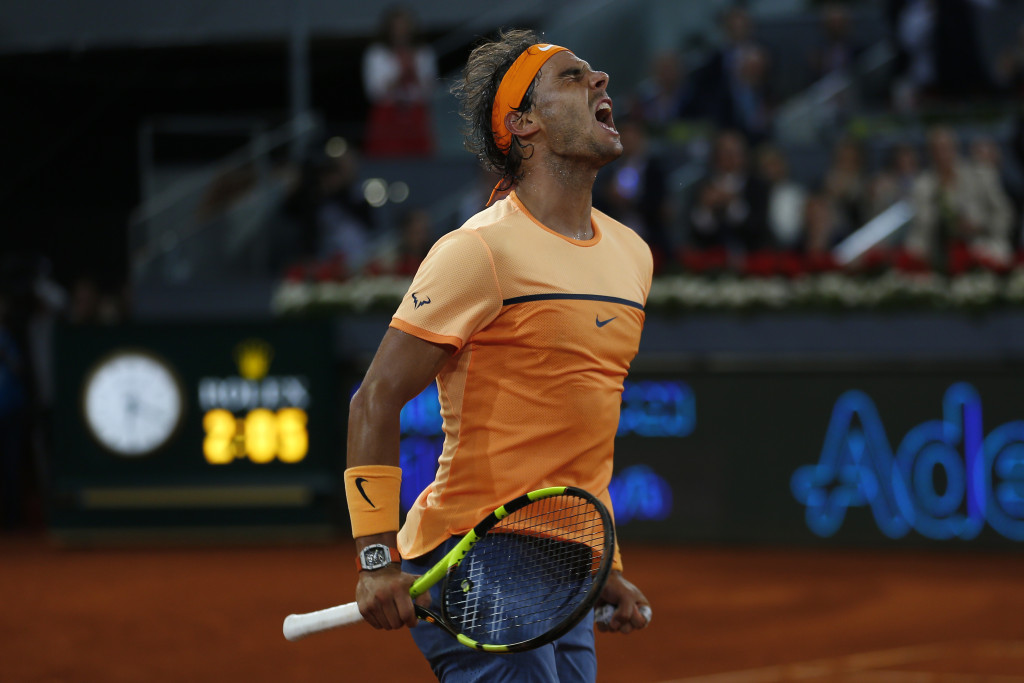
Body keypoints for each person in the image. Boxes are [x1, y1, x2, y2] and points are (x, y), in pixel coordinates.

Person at [344, 29, 652, 682]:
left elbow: (584, 436)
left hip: (568, 565)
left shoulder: (634, 255)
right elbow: (375, 397)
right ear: (524, 123)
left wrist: (606, 566)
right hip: (475, 553)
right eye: (572, 77)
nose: (600, 81)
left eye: (597, 74)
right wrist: (376, 558)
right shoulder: (479, 250)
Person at [905, 126, 1014, 271]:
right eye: (936, 149)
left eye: (946, 147)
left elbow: (1004, 213)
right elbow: (921, 227)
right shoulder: (923, 185)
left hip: (983, 245)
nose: (942, 154)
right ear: (930, 153)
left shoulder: (981, 175)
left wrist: (980, 225)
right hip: (939, 252)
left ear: (955, 148)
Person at [361, 4, 438, 158]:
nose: (401, 31)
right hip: (387, 115)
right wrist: (400, 74)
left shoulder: (423, 53)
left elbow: (431, 91)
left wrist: (413, 72)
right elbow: (375, 92)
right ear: (389, 29)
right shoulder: (376, 54)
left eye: (405, 26)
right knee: (385, 159)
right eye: (397, 27)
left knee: (420, 160)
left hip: (416, 114)